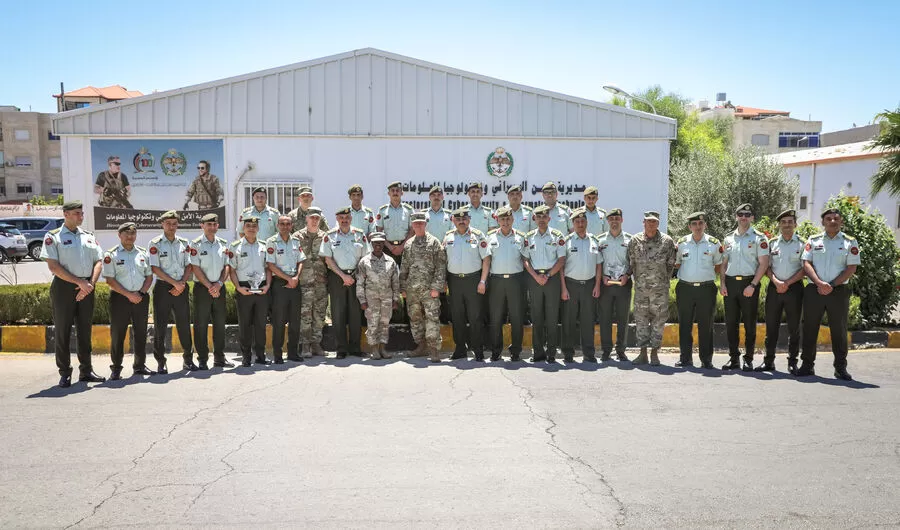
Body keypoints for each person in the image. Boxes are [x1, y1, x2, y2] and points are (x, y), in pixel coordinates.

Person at [41, 200, 106, 387]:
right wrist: (79, 283)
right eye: (77, 213)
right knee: (63, 331)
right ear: (66, 214)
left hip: (87, 286)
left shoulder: (88, 236)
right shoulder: (53, 237)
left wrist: (90, 284)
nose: (81, 216)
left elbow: (98, 261)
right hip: (64, 287)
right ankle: (65, 372)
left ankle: (86, 371)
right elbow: (53, 266)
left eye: (81, 213)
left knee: (85, 331)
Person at [799, 207, 860, 381]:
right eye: (828, 219)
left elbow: (851, 268)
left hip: (838, 291)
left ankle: (840, 368)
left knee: (839, 330)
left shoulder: (850, 242)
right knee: (810, 327)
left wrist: (831, 285)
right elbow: (806, 263)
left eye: (835, 218)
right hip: (814, 290)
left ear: (841, 221)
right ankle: (807, 365)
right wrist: (819, 283)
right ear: (823, 222)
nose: (832, 221)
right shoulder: (814, 240)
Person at [720, 203, 769, 371]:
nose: (743, 217)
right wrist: (723, 284)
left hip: (749, 283)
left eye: (747, 215)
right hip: (731, 284)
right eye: (740, 214)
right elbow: (723, 264)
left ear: (752, 218)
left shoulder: (759, 238)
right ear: (736, 217)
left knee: (749, 324)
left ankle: (748, 359)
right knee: (731, 323)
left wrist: (753, 285)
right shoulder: (728, 238)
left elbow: (763, 264)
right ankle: (734, 358)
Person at [102, 222, 153, 380]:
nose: (130, 237)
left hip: (140, 298)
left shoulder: (143, 253)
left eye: (133, 234)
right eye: (127, 234)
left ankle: (139, 366)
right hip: (120, 299)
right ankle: (116, 368)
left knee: (141, 333)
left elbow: (149, 276)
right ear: (119, 236)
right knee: (118, 334)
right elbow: (110, 280)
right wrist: (129, 295)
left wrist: (141, 293)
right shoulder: (111, 255)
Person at [626, 210, 677, 366]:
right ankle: (642, 354)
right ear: (644, 222)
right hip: (641, 290)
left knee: (658, 321)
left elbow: (670, 265)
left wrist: (661, 281)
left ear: (658, 223)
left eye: (654, 221)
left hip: (659, 291)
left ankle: (654, 353)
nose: (651, 224)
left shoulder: (667, 241)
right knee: (641, 321)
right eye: (648, 221)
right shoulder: (635, 240)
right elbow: (630, 263)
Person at [674, 212, 722, 369]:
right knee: (685, 324)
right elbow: (677, 263)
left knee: (706, 325)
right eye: (694, 224)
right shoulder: (681, 243)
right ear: (689, 227)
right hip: (685, 288)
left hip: (706, 289)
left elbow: (719, 265)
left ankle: (706, 359)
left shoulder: (714, 243)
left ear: (705, 225)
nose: (697, 227)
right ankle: (685, 358)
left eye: (700, 224)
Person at [321, 206, 371, 358]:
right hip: (337, 278)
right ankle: (341, 348)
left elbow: (365, 257)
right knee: (338, 313)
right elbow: (327, 259)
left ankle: (355, 347)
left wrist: (354, 275)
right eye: (341, 218)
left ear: (351, 219)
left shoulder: (359, 234)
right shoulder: (329, 236)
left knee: (355, 314)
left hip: (356, 276)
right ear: (337, 219)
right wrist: (343, 276)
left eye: (347, 218)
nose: (344, 220)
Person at [760, 209, 806, 373]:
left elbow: (805, 268)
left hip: (794, 289)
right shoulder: (772, 243)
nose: (787, 225)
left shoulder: (803, 244)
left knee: (794, 328)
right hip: (774, 288)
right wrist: (777, 282)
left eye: (790, 222)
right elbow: (766, 267)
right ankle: (768, 361)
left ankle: (792, 362)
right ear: (779, 225)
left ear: (795, 224)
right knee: (771, 327)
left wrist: (787, 283)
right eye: (783, 222)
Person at [148, 210, 194, 373]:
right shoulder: (155, 243)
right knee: (160, 326)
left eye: (174, 223)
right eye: (168, 223)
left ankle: (188, 360)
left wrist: (181, 284)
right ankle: (161, 361)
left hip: (181, 286)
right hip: (163, 288)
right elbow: (155, 268)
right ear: (162, 224)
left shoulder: (184, 242)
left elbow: (189, 265)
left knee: (184, 324)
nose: (172, 226)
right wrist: (175, 283)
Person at [443, 207, 491, 361]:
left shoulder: (478, 236)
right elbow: (443, 261)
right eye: (458, 219)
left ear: (469, 220)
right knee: (457, 316)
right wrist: (443, 280)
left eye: (464, 219)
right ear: (453, 221)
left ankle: (478, 349)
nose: (461, 221)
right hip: (454, 280)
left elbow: (486, 259)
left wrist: (483, 281)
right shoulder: (448, 236)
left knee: (475, 316)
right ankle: (460, 349)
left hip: (473, 280)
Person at [522, 204, 567, 363]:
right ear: (534, 218)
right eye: (538, 217)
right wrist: (535, 276)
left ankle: (552, 353)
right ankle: (538, 352)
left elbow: (561, 260)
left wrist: (547, 275)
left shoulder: (557, 235)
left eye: (544, 217)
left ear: (549, 218)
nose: (541, 220)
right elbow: (525, 260)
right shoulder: (529, 237)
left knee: (552, 316)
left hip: (551, 278)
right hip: (535, 279)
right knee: (537, 316)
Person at [400, 211, 446, 363]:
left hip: (429, 289)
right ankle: (421, 346)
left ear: (425, 224)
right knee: (415, 319)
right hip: (412, 290)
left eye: (421, 223)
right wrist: (403, 288)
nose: (418, 225)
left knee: (432, 318)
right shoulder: (408, 244)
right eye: (415, 223)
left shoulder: (434, 242)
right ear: (412, 225)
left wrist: (436, 287)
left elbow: (440, 267)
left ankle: (434, 349)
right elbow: (404, 267)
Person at [189, 213, 233, 369]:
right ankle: (202, 359)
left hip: (219, 287)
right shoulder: (195, 245)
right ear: (202, 226)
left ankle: (219, 358)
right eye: (209, 224)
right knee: (201, 325)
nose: (212, 227)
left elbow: (227, 266)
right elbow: (195, 267)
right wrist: (209, 286)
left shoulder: (223, 243)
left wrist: (219, 284)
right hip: (203, 289)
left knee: (220, 324)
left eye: (215, 224)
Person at [228, 216, 272, 367]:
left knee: (261, 324)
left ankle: (260, 355)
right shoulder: (235, 247)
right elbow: (232, 270)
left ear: (258, 228)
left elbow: (268, 269)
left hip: (261, 288)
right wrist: (238, 288)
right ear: (243, 228)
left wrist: (267, 286)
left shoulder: (264, 246)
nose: (251, 228)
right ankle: (246, 356)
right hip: (244, 288)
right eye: (248, 226)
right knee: (245, 324)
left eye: (254, 226)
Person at [560, 208, 603, 363]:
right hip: (571, 285)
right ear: (573, 223)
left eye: (582, 221)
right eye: (577, 221)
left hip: (589, 285)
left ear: (586, 222)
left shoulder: (594, 241)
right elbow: (561, 266)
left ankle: (589, 353)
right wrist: (563, 288)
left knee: (588, 320)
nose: (580, 224)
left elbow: (599, 265)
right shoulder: (566, 241)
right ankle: (568, 353)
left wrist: (597, 285)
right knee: (569, 320)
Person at [486, 206, 527, 362]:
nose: (505, 222)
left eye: (508, 219)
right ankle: (496, 350)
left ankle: (516, 351)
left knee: (517, 317)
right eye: (502, 219)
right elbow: (487, 261)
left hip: (516, 280)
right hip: (496, 281)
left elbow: (525, 260)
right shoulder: (490, 237)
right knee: (496, 318)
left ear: (512, 220)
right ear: (497, 220)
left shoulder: (521, 237)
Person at [266, 215, 306, 363]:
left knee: (295, 321)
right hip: (280, 285)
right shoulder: (272, 242)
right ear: (277, 225)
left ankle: (293, 353)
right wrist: (289, 279)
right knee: (279, 321)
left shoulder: (296, 241)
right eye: (282, 224)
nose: (285, 226)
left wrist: (296, 277)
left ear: (291, 226)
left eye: (288, 224)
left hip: (295, 284)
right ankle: (277, 354)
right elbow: (270, 265)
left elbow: (301, 260)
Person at [356, 232, 400, 359]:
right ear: (372, 244)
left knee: (385, 323)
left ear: (383, 244)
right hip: (371, 299)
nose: (378, 246)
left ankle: (383, 349)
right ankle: (374, 349)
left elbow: (395, 282)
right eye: (375, 243)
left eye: (380, 243)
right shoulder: (364, 262)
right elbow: (360, 283)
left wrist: (395, 299)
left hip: (387, 298)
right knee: (373, 323)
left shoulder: (390, 261)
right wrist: (362, 300)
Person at [596, 208, 632, 362]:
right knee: (605, 318)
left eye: (617, 219)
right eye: (611, 219)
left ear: (622, 220)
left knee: (623, 318)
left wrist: (628, 275)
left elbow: (634, 262)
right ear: (607, 221)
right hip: (606, 284)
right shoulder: (600, 240)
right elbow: (597, 262)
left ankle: (621, 350)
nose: (614, 222)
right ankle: (606, 350)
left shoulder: (631, 240)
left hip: (624, 283)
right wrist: (602, 277)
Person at [293, 207, 328, 358]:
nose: (314, 220)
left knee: (319, 314)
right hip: (303, 282)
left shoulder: (326, 237)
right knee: (304, 314)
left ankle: (316, 344)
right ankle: (305, 345)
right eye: (312, 217)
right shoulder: (296, 236)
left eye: (317, 218)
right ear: (306, 219)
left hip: (321, 282)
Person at [422, 185, 453, 323]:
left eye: (439, 195)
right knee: (427, 287)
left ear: (442, 197)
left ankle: (445, 318)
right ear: (429, 197)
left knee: (443, 287)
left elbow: (451, 233)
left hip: (444, 255)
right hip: (426, 256)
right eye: (433, 195)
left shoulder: (449, 215)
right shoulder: (423, 215)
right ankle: (427, 317)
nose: (436, 197)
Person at [376, 181, 414, 267]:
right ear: (389, 193)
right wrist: (390, 247)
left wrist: (402, 247)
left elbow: (412, 231)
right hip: (387, 248)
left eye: (397, 190)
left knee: (405, 277)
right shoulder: (382, 210)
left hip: (405, 248)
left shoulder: (409, 210)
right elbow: (379, 231)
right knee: (388, 277)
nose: (395, 192)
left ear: (402, 193)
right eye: (392, 190)